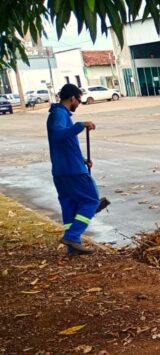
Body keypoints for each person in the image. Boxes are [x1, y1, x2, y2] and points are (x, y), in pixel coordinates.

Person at [47, 83, 104, 255]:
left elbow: (66, 144)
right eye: (78, 100)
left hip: (62, 170)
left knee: (70, 205)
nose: (79, 103)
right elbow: (57, 135)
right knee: (92, 200)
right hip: (72, 171)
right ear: (72, 98)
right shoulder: (59, 114)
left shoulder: (60, 114)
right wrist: (80, 125)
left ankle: (73, 246)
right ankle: (72, 236)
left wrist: (82, 159)